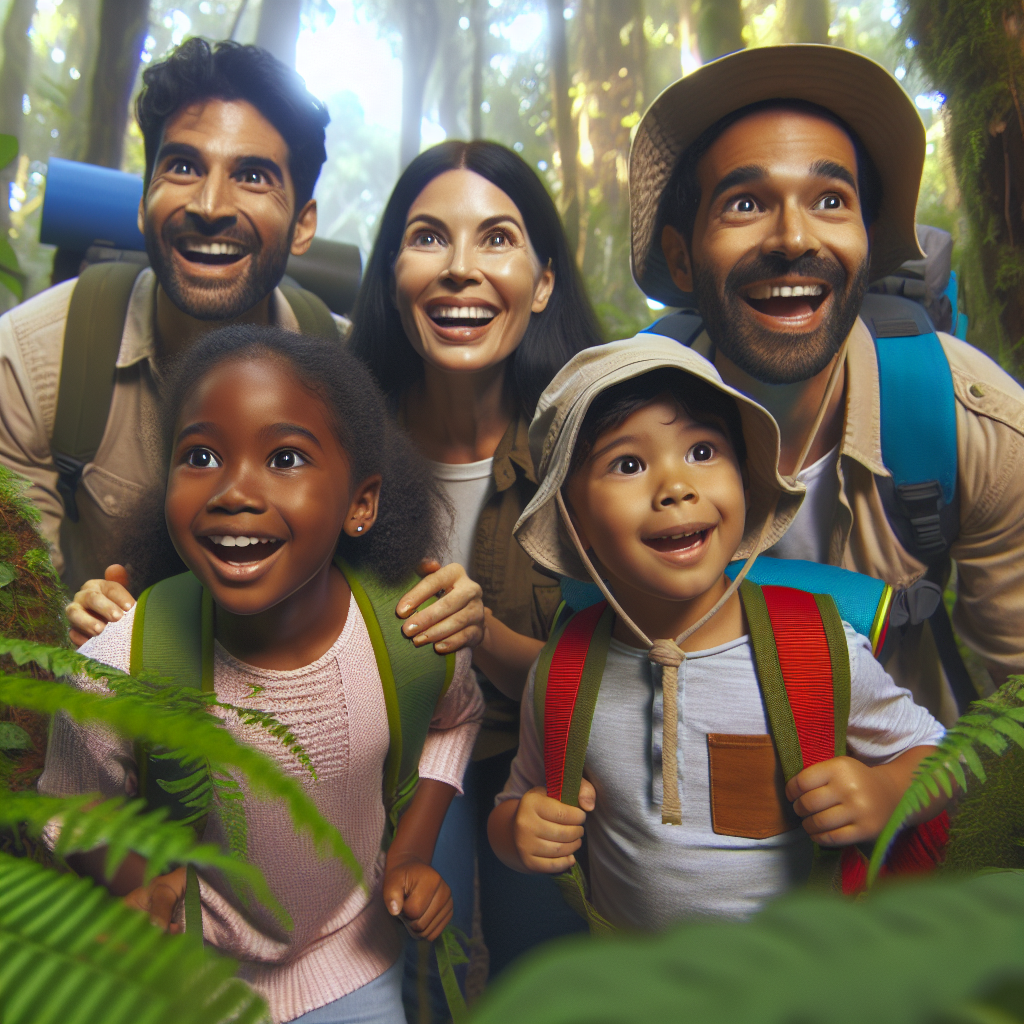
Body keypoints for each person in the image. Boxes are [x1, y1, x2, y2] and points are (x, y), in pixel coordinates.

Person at [38, 325, 484, 1024]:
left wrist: (412, 851)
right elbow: (70, 803)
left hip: (356, 970)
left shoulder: (410, 640)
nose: (234, 490)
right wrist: (138, 881)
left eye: (285, 457)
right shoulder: (117, 666)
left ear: (360, 504)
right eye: (202, 455)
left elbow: (455, 718)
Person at [488, 336, 947, 928]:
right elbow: (513, 801)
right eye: (627, 464)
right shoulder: (564, 673)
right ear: (572, 522)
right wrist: (517, 830)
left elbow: (941, 756)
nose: (676, 487)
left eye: (703, 451)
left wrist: (886, 793)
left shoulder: (812, 649)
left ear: (747, 483)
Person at [46, 38, 482, 659]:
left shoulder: (348, 364)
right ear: (142, 201)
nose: (209, 205)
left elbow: (385, 545)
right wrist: (73, 623)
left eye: (251, 176)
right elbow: (18, 604)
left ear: (303, 223)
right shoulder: (43, 359)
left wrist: (440, 601)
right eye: (183, 167)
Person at [627, 44, 1024, 724]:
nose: (793, 238)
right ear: (681, 259)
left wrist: (917, 794)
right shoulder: (615, 421)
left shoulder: (970, 423)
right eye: (746, 202)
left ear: (867, 242)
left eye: (831, 200)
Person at [347, 140, 603, 994]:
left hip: (555, 757)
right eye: (429, 239)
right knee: (420, 964)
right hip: (397, 761)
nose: (461, 270)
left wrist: (484, 635)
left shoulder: (602, 448)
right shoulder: (335, 440)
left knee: (552, 974)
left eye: (496, 239)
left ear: (542, 281)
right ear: (393, 274)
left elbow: (624, 670)